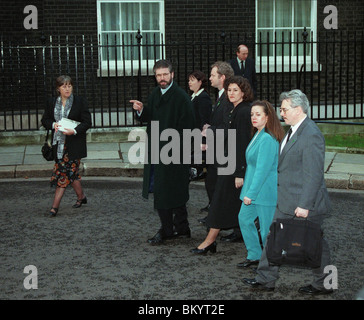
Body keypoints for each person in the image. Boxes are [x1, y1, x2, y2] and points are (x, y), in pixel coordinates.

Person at [243, 89, 333, 295]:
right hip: (287, 200)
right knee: (273, 238)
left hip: (304, 203)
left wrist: (304, 205)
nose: (281, 113)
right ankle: (265, 279)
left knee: (317, 246)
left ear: (299, 109)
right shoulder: (293, 130)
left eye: (284, 109)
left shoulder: (311, 134)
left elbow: (314, 174)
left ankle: (326, 284)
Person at [130, 59, 195, 245]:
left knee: (168, 192)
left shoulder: (181, 97)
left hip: (174, 152)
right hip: (158, 151)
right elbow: (152, 117)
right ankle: (182, 228)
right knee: (168, 190)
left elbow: (189, 127)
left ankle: (168, 230)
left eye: (165, 74)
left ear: (172, 75)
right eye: (158, 75)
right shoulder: (155, 94)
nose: (162, 78)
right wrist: (142, 110)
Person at [191, 76, 253, 254]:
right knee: (236, 206)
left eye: (235, 90)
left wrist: (240, 172)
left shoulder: (242, 111)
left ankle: (209, 242)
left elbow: (242, 142)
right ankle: (257, 246)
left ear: (243, 92)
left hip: (234, 166)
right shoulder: (235, 109)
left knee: (219, 203)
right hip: (229, 162)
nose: (231, 93)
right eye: (229, 90)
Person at [237, 100, 285, 269]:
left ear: (267, 117)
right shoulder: (258, 134)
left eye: (258, 114)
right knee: (244, 219)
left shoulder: (267, 138)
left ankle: (270, 263)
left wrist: (251, 193)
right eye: (252, 114)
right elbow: (253, 167)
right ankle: (255, 255)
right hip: (253, 191)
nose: (253, 117)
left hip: (263, 192)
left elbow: (262, 171)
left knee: (266, 231)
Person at [41, 75, 92, 217]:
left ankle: (54, 207)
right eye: (64, 86)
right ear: (58, 88)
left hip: (74, 145)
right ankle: (81, 197)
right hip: (58, 145)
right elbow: (45, 120)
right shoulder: (51, 103)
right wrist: (53, 124)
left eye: (69, 85)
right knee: (71, 173)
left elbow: (87, 122)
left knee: (62, 174)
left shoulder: (79, 101)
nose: (67, 88)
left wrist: (74, 131)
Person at [198, 61, 234, 218]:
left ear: (223, 77)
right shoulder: (220, 96)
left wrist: (209, 131)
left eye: (213, 75)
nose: (210, 78)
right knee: (212, 184)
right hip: (216, 148)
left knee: (220, 188)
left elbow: (228, 127)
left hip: (224, 151)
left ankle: (222, 220)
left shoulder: (228, 98)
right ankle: (215, 217)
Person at [188, 70, 212, 181]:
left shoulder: (203, 97)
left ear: (200, 82)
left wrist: (203, 141)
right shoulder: (193, 96)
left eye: (192, 80)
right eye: (189, 80)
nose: (189, 82)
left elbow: (205, 121)